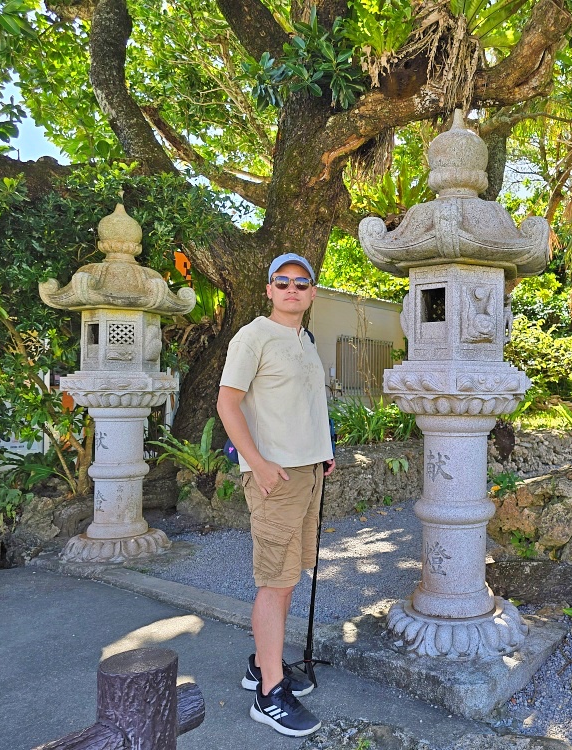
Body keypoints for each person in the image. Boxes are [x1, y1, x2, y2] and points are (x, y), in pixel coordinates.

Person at [216, 253, 335, 737]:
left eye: (301, 283)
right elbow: (228, 403)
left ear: (311, 293)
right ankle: (269, 692)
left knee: (288, 576)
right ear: (269, 289)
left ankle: (262, 666)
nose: (291, 289)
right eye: (281, 282)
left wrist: (323, 451)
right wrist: (259, 463)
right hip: (276, 477)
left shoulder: (304, 340)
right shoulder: (253, 336)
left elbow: (306, 406)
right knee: (274, 580)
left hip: (308, 472)